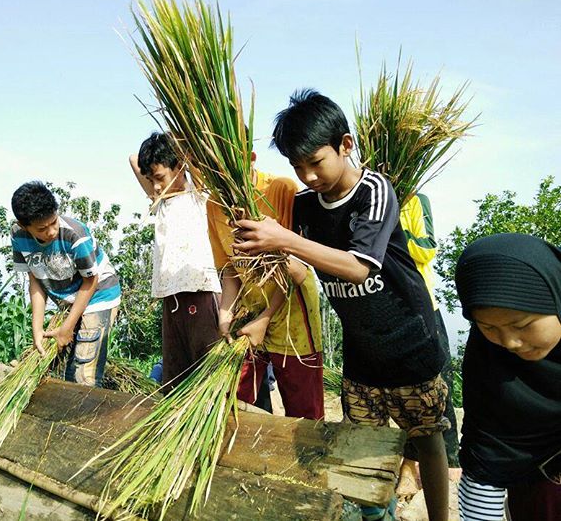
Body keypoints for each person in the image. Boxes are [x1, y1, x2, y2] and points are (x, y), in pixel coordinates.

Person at [234, 89, 449, 521]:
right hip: (361, 351)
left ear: (345, 145)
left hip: (409, 342)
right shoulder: (304, 206)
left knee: (426, 441)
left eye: (316, 162)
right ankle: (379, 516)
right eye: (297, 167)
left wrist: (285, 238)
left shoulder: (375, 190)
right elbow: (292, 267)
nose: (308, 176)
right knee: (364, 446)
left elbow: (359, 268)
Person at [206, 153, 324, 421]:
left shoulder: (281, 189)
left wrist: (266, 318)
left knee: (304, 414)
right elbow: (230, 270)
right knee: (234, 399)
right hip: (249, 316)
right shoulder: (213, 204)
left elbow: (297, 267)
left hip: (294, 316)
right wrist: (225, 314)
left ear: (249, 157)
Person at [454, 233, 561, 521]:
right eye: (488, 328)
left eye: (522, 325)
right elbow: (487, 458)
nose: (510, 342)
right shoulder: (489, 371)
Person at [129, 132, 221, 390]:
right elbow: (133, 159)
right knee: (175, 371)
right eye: (151, 180)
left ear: (181, 166)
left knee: (206, 368)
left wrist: (182, 152)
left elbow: (194, 159)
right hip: (171, 296)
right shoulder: (160, 201)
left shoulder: (199, 193)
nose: (156, 186)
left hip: (201, 291)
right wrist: (157, 171)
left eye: (160, 178)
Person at [10, 181, 121, 387]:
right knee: (50, 362)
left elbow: (91, 280)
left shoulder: (74, 234)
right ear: (24, 226)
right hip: (69, 299)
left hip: (98, 294)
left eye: (54, 222)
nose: (51, 231)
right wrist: (37, 330)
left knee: (83, 375)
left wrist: (67, 327)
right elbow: (35, 281)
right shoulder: (18, 236)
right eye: (42, 229)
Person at [398, 192, 461, 495]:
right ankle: (409, 463)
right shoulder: (363, 197)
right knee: (400, 392)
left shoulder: (413, 199)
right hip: (386, 310)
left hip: (422, 307)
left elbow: (426, 249)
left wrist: (389, 225)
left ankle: (451, 460)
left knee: (438, 383)